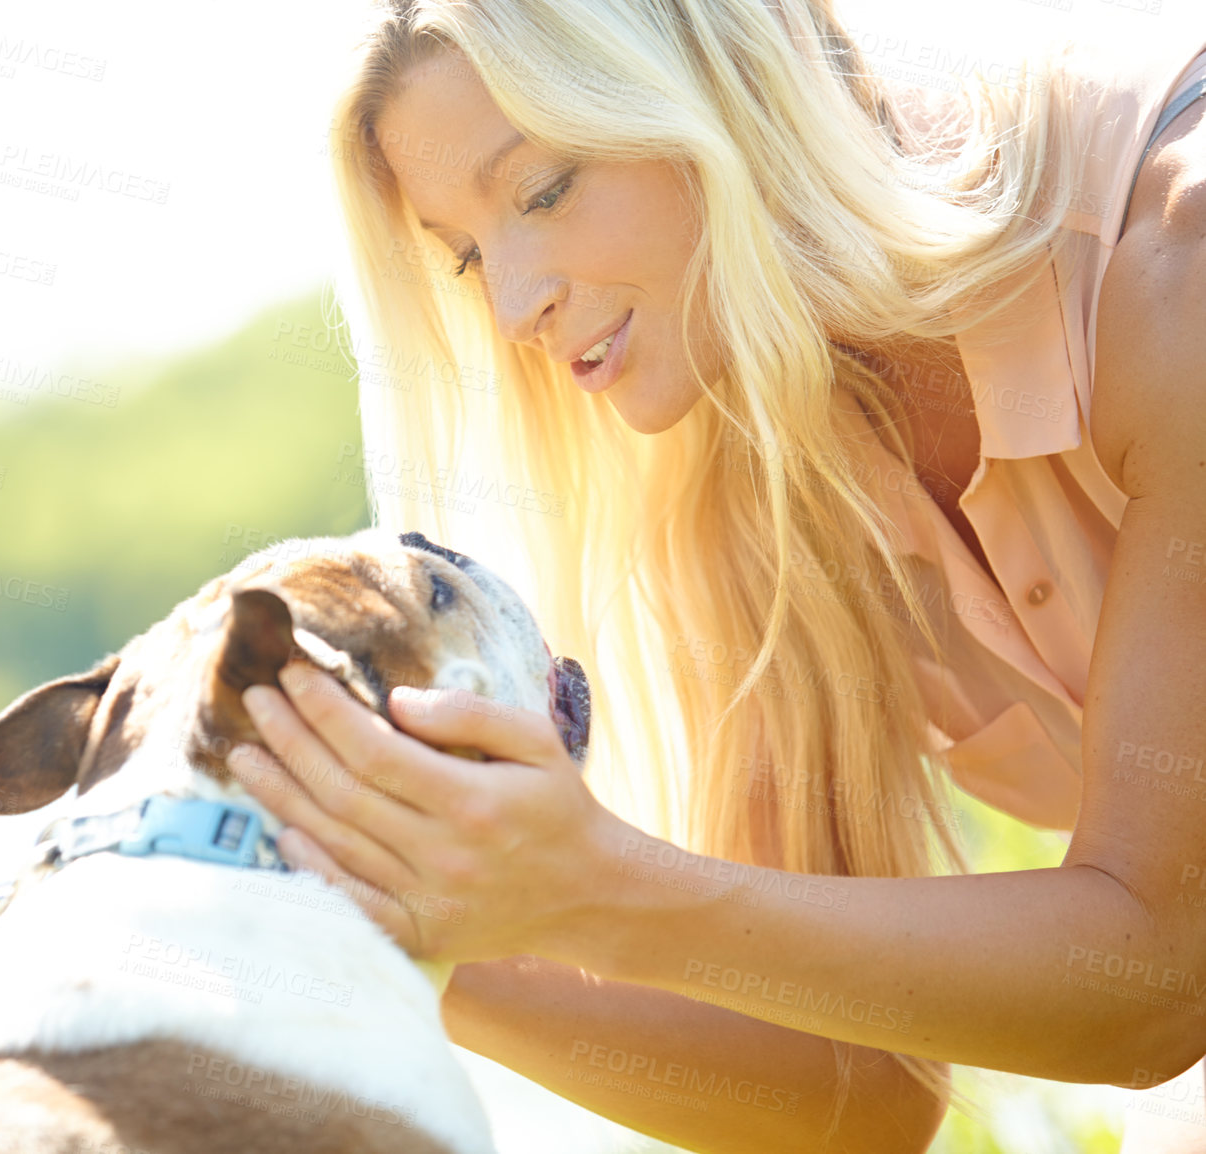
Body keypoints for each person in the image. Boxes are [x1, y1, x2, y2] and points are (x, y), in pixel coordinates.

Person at [222, 1, 1206, 1151]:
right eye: (470, 253)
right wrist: (402, 927)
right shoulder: (751, 477)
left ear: (732, 82)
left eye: (543, 188)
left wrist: (593, 884)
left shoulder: (1172, 259)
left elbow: (1155, 976)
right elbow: (854, 1089)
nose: (510, 304)